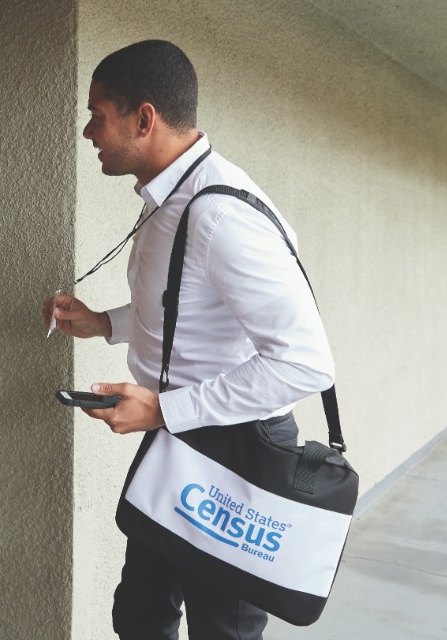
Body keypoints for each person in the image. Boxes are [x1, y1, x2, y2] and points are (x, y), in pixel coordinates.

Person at [43, 41, 335, 639]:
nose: (87, 130)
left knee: (220, 631)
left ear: (143, 119)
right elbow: (182, 306)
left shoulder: (220, 215)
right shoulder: (171, 195)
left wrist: (165, 408)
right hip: (179, 440)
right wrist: (104, 323)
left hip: (234, 453)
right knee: (142, 617)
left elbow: (305, 365)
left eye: (98, 114)